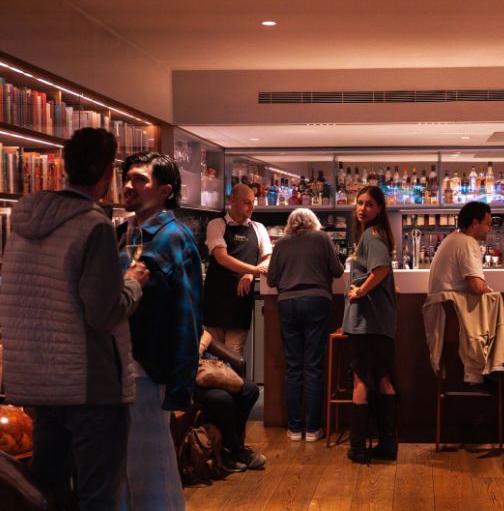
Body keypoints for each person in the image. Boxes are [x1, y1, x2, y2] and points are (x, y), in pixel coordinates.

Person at [0, 127, 148, 510]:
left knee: (50, 494)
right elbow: (103, 312)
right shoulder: (93, 224)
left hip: (38, 381)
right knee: (98, 495)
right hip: (89, 383)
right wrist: (133, 284)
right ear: (107, 174)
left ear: (65, 167)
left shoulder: (22, 222)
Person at [117, 151, 203, 511]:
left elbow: (187, 315)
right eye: (126, 177)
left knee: (147, 466)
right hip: (120, 362)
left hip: (147, 366)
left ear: (165, 190)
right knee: (129, 466)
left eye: (140, 179)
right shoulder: (123, 230)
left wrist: (179, 383)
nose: (128, 185)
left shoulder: (172, 237)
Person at [267, 208, 344, 442]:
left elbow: (271, 280)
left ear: (291, 224)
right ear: (313, 222)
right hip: (316, 302)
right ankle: (312, 429)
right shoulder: (322, 239)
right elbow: (338, 272)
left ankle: (294, 428)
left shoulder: (280, 244)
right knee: (313, 366)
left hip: (288, 304)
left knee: (293, 368)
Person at [428, 201, 504, 367]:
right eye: (488, 224)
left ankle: (496, 367)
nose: (490, 229)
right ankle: (498, 368)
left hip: (443, 316)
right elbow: (476, 287)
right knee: (496, 300)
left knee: (493, 300)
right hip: (456, 319)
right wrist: (489, 289)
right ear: (475, 223)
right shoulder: (467, 243)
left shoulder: (451, 239)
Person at [342, 185, 397, 464]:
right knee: (384, 378)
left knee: (361, 380)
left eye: (369, 204)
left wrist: (360, 290)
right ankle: (388, 446)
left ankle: (357, 448)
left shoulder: (371, 237)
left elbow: (382, 269)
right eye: (359, 203)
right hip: (381, 324)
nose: (363, 208)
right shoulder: (378, 235)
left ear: (379, 209)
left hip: (366, 323)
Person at [203, 183, 271, 356]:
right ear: (232, 201)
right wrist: (254, 270)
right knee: (213, 357)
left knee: (234, 355)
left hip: (240, 302)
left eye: (253, 202)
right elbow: (222, 258)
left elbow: (268, 259)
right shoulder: (217, 224)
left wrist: (249, 274)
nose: (251, 207)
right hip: (216, 300)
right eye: (246, 202)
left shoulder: (258, 228)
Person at [194, 330, 264, 472]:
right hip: (187, 376)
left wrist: (200, 348)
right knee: (222, 399)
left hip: (204, 366)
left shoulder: (189, 313)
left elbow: (206, 334)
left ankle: (231, 449)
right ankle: (233, 451)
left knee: (250, 390)